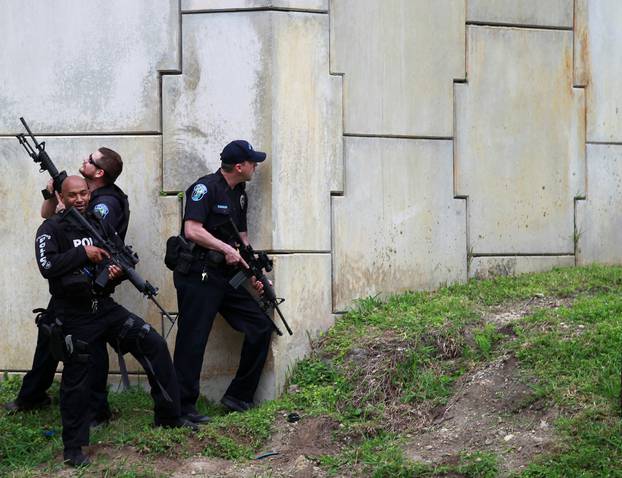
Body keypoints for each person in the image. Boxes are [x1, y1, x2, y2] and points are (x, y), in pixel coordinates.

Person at [34, 175, 194, 466]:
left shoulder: (98, 222)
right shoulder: (50, 229)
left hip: (105, 308)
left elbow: (116, 253)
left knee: (153, 343)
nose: (80, 200)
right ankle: (74, 448)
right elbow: (48, 266)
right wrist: (84, 253)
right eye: (73, 195)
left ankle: (170, 417)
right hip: (74, 315)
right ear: (61, 197)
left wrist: (113, 271)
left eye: (84, 193)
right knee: (76, 381)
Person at [5, 148, 128, 426]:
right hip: (69, 283)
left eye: (90, 160)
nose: (83, 160)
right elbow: (48, 218)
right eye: (73, 194)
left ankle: (97, 410)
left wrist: (66, 206)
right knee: (50, 335)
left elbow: (93, 237)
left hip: (91, 286)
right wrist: (54, 195)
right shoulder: (80, 197)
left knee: (92, 349)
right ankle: (32, 395)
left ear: (98, 174)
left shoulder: (104, 203)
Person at [173, 140, 274, 423]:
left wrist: (254, 272)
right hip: (198, 274)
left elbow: (242, 238)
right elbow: (192, 230)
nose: (256, 166)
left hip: (226, 276)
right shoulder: (204, 188)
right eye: (253, 162)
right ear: (239, 166)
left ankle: (239, 396)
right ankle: (181, 409)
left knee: (260, 325)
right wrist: (225, 248)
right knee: (192, 340)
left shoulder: (239, 193)